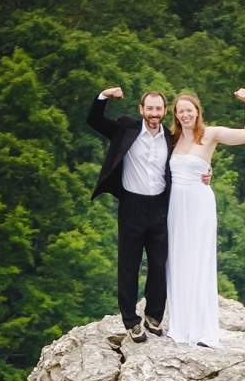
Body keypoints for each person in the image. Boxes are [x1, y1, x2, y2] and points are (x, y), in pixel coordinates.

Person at [85, 87, 211, 342]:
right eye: (150, 108)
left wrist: (207, 171)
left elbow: (190, 156)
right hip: (131, 205)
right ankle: (130, 320)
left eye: (159, 109)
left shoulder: (170, 136)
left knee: (160, 263)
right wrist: (103, 96)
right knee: (129, 265)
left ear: (165, 112)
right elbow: (94, 121)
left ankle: (153, 316)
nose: (154, 114)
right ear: (142, 110)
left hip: (161, 207)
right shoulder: (126, 129)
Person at [167, 89, 245, 348]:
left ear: (197, 111)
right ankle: (180, 328)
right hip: (176, 205)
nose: (185, 115)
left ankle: (204, 332)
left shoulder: (210, 134)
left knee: (199, 261)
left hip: (199, 202)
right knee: (177, 260)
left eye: (189, 110)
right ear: (176, 115)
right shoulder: (171, 139)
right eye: (180, 111)